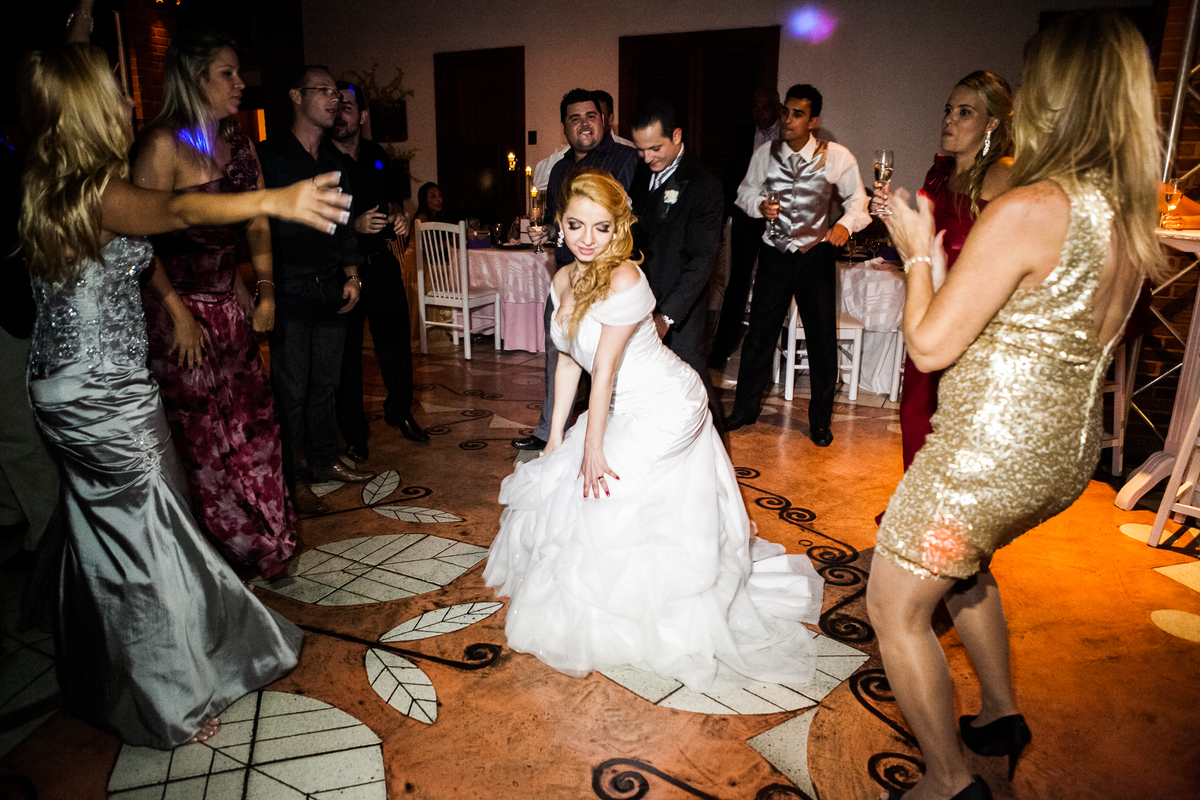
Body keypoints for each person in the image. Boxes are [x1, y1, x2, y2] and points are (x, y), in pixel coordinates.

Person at [17, 42, 351, 748]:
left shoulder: (54, 180)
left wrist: (80, 21)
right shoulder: (97, 194)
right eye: (113, 91)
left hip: (71, 385)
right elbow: (175, 211)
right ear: (87, 107)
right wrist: (274, 198)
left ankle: (108, 671)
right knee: (151, 535)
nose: (127, 100)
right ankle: (172, 695)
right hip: (102, 394)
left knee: (106, 533)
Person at [868, 12, 1166, 800]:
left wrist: (917, 253)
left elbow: (930, 346)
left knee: (894, 607)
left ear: (1056, 95)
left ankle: (947, 781)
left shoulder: (1031, 206)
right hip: (1061, 456)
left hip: (987, 455)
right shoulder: (1125, 215)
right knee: (962, 568)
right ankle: (999, 714)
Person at [485, 168, 824, 690]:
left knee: (609, 492)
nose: (587, 239)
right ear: (560, 223)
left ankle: (654, 608)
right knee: (565, 484)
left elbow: (604, 368)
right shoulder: (562, 279)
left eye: (601, 227)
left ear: (617, 227)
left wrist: (593, 447)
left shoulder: (625, 278)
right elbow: (569, 360)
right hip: (619, 405)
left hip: (666, 403)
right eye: (575, 225)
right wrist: (555, 437)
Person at [131, 28, 297, 578]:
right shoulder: (161, 145)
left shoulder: (237, 140)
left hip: (230, 306)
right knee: (204, 441)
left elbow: (256, 219)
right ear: (194, 77)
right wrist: (179, 315)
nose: (240, 82)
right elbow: (138, 243)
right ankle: (220, 556)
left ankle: (266, 539)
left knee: (255, 426)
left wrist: (263, 288)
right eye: (228, 72)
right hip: (177, 315)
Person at [874, 72, 1014, 471]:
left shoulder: (1006, 176)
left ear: (992, 123)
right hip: (931, 319)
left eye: (965, 112)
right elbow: (923, 249)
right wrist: (894, 220)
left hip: (975, 333)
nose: (949, 119)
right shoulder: (938, 176)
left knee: (961, 445)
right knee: (916, 425)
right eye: (949, 109)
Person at [725, 84, 870, 447]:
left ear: (813, 121)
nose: (787, 119)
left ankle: (820, 421)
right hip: (774, 254)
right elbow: (744, 192)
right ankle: (744, 410)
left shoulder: (837, 156)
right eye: (785, 111)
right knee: (759, 335)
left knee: (822, 339)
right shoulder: (764, 153)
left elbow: (858, 200)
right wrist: (759, 205)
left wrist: (844, 224)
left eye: (797, 114)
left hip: (815, 257)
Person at [259, 65, 375, 510]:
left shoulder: (333, 161)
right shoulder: (270, 156)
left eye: (336, 94)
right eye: (323, 91)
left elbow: (345, 225)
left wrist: (352, 274)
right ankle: (291, 478)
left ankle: (324, 459)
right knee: (290, 390)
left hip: (331, 286)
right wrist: (266, 289)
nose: (334, 100)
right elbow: (257, 226)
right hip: (290, 287)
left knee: (326, 383)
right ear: (296, 95)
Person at [513, 89, 636, 452]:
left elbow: (634, 222)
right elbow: (560, 222)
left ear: (604, 120)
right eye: (574, 118)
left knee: (610, 362)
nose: (583, 124)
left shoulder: (627, 160)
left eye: (590, 116)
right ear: (564, 126)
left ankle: (610, 440)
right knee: (559, 353)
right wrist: (548, 232)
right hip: (567, 276)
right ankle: (549, 431)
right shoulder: (559, 168)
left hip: (610, 279)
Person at [330, 81, 427, 461]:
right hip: (343, 270)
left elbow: (394, 203)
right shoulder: (321, 157)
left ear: (362, 115)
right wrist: (353, 225)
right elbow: (315, 221)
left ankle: (399, 412)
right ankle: (354, 433)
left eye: (347, 107)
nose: (339, 114)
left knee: (396, 346)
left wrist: (400, 218)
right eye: (335, 106)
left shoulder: (376, 155)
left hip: (381, 264)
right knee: (348, 357)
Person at [629, 99, 724, 417]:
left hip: (681, 312)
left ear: (677, 136)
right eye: (640, 149)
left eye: (655, 148)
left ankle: (715, 446)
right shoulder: (642, 172)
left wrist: (667, 317)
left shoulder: (704, 184)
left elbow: (701, 261)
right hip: (642, 300)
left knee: (695, 390)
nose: (647, 157)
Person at [710, 87, 780, 368]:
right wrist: (723, 218)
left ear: (777, 108)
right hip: (745, 218)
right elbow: (730, 178)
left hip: (776, 219)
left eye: (764, 106)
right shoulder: (742, 133)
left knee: (769, 283)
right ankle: (721, 348)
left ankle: (762, 352)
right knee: (737, 282)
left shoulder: (786, 137)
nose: (758, 112)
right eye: (755, 106)